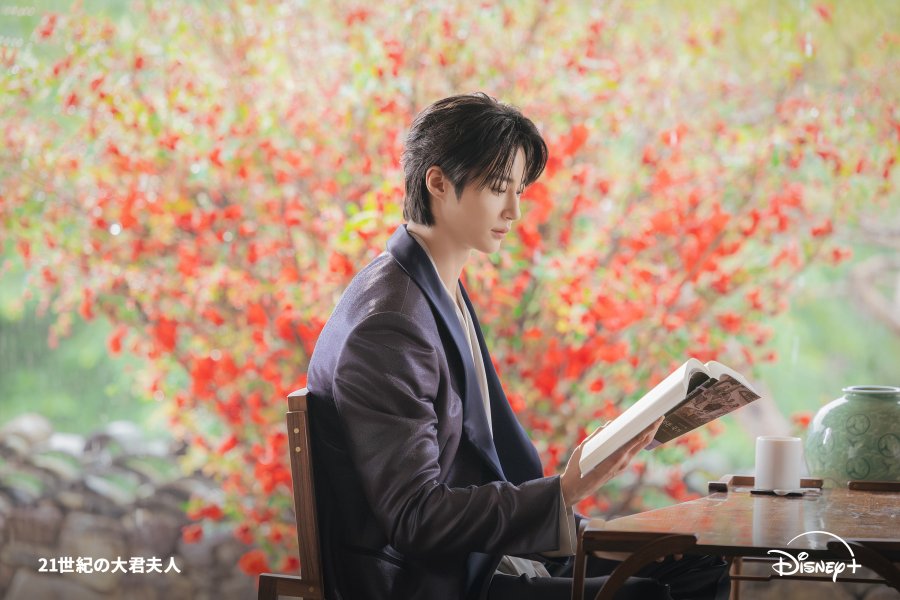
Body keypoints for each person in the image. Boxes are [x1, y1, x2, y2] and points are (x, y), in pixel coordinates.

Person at [305, 92, 730, 599]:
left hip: (480, 555)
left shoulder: (431, 287)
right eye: (497, 188)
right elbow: (415, 517)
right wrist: (565, 490)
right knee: (646, 594)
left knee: (696, 561)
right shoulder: (392, 323)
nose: (513, 211)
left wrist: (583, 513)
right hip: (430, 582)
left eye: (519, 190)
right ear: (437, 183)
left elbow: (475, 467)